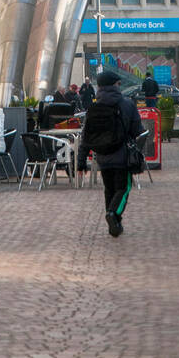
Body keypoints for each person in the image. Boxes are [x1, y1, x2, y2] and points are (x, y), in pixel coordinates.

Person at [77, 68, 143, 238]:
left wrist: (81, 161)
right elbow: (137, 130)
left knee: (109, 189)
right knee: (123, 188)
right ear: (115, 84)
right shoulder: (127, 104)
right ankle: (113, 214)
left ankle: (114, 224)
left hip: (102, 157)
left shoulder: (93, 108)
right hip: (122, 156)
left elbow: (86, 136)